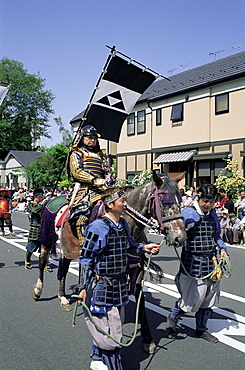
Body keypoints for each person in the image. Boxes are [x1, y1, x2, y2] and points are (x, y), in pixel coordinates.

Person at [78, 187, 160, 370]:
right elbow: (85, 259)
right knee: (111, 336)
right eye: (122, 201)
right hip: (102, 287)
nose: (126, 204)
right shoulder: (97, 227)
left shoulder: (122, 224)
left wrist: (144, 248)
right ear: (110, 204)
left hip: (120, 286)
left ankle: (97, 358)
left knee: (112, 328)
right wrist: (82, 287)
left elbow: (130, 247)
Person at [166, 184, 229, 343]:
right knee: (192, 299)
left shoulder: (213, 214)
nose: (207, 204)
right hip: (192, 262)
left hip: (210, 261)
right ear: (198, 199)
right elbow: (173, 230)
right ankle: (172, 319)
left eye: (211, 201)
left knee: (209, 298)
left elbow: (216, 235)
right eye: (205, 201)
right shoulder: (188, 213)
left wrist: (222, 249)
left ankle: (201, 330)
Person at [66, 125, 110, 246]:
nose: (92, 140)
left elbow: (107, 171)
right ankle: (83, 244)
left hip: (102, 189)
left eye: (94, 138)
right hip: (84, 189)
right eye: (89, 137)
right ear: (82, 138)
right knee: (82, 212)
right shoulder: (76, 153)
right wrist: (94, 180)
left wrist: (109, 178)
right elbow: (77, 171)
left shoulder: (101, 156)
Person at [25, 188, 52, 271]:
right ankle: (27, 261)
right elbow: (35, 210)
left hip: (43, 228)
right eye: (40, 197)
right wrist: (43, 205)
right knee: (31, 246)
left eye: (42, 197)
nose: (41, 199)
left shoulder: (42, 206)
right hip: (35, 228)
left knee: (45, 247)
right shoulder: (30, 205)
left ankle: (45, 264)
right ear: (35, 197)